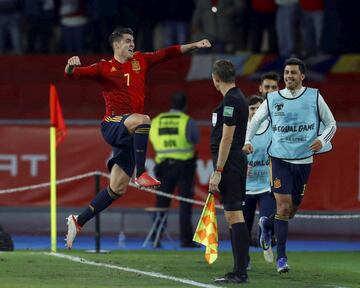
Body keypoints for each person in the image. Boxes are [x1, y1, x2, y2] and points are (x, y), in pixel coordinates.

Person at [64, 27, 211, 249]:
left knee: (116, 189)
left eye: (133, 40)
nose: (132, 44)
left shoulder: (140, 60)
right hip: (112, 125)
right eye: (128, 41)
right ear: (117, 45)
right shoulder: (104, 67)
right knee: (143, 119)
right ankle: (141, 173)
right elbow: (73, 74)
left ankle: (78, 220)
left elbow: (167, 53)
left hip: (129, 133)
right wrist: (70, 65)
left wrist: (194, 45)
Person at [243, 57, 336, 273]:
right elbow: (255, 121)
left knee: (291, 210)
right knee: (283, 207)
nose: (289, 76)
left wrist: (322, 140)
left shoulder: (314, 96)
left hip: (303, 161)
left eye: (293, 73)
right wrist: (248, 141)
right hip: (279, 159)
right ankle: (281, 258)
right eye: (286, 73)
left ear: (302, 76)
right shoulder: (274, 98)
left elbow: (331, 123)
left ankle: (267, 224)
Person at [209, 59, 249, 284]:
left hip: (231, 163)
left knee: (234, 214)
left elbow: (227, 137)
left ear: (215, 79)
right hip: (232, 161)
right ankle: (237, 269)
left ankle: (241, 271)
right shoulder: (233, 97)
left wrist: (218, 170)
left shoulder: (232, 100)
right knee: (231, 215)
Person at [149, 91, 200, 248]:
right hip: (184, 166)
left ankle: (155, 237)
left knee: (161, 202)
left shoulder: (156, 121)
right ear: (185, 105)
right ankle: (185, 240)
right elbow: (195, 139)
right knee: (185, 203)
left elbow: (150, 137)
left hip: (163, 166)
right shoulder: (186, 121)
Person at [243, 72, 280, 266]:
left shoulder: (273, 123)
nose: (255, 112)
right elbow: (231, 150)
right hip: (247, 187)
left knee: (269, 218)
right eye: (251, 109)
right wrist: (241, 167)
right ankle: (244, 259)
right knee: (244, 226)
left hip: (266, 184)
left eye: (258, 109)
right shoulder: (241, 129)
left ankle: (267, 236)